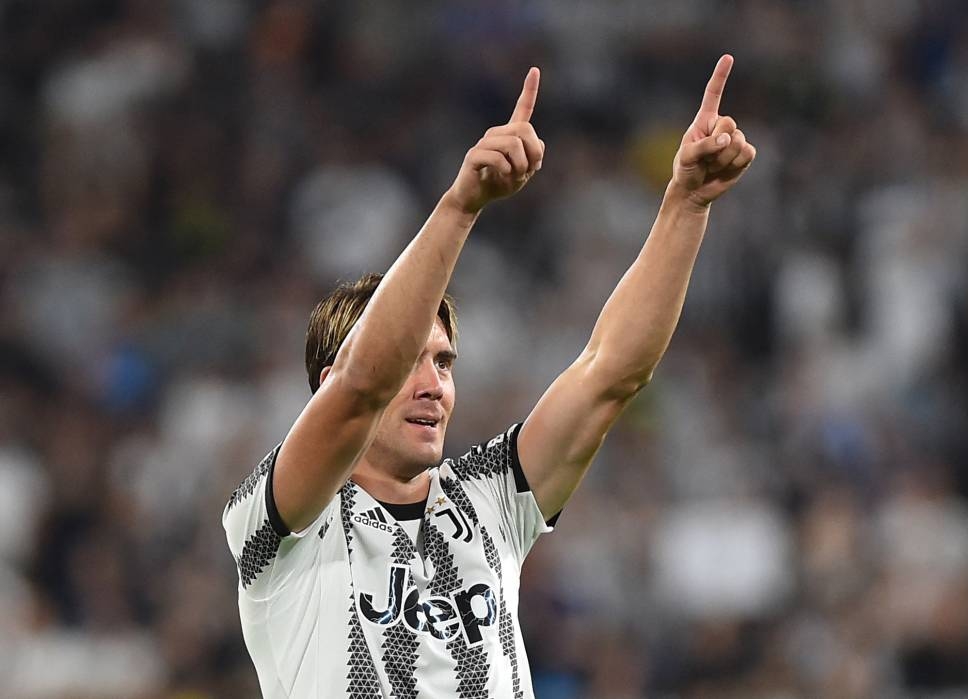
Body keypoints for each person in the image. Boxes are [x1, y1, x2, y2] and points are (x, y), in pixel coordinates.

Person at [223, 54, 755, 698]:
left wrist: (685, 206)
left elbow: (610, 372)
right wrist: (461, 207)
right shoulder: (281, 523)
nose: (433, 385)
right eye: (410, 362)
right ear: (328, 378)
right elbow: (363, 386)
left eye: (444, 363)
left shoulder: (487, 501)